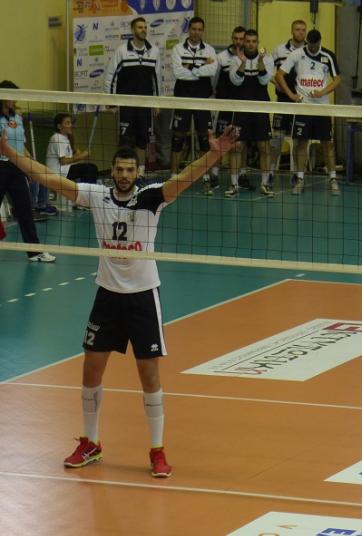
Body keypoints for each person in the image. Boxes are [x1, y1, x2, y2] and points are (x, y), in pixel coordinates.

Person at [0, 119, 240, 478]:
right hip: (108, 296)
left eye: (130, 170)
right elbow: (48, 178)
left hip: (143, 296)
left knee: (149, 375)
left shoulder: (152, 197)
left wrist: (214, 154)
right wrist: (9, 151)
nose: (124, 175)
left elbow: (184, 178)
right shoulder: (97, 196)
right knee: (91, 369)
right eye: (119, 169)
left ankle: (157, 450)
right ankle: (91, 442)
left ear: (137, 172)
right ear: (112, 171)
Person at [274, 29, 342, 196]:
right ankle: (300, 179)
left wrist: (323, 92)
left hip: (321, 107)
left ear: (319, 41)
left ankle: (333, 179)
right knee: (301, 143)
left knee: (327, 143)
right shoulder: (297, 54)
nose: (313, 47)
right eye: (310, 45)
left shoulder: (328, 55)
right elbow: (280, 75)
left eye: (315, 45)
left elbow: (338, 79)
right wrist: (291, 95)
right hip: (303, 106)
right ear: (307, 42)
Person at [0, 82, 55, 262]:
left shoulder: (17, 117)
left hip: (17, 167)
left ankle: (34, 251)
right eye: (11, 95)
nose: (14, 99)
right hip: (1, 166)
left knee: (25, 209)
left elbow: (21, 145)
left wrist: (30, 165)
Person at [104, 17, 162, 175]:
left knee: (143, 141)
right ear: (132, 30)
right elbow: (111, 77)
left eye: (145, 27)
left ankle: (140, 174)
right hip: (126, 106)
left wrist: (157, 103)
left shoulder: (154, 52)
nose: (143, 30)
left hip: (145, 105)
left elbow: (157, 80)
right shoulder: (122, 51)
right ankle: (122, 173)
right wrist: (111, 102)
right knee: (125, 142)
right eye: (140, 27)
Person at [169, 16, 217, 186]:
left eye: (199, 29)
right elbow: (178, 73)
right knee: (178, 138)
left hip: (202, 98)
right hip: (183, 98)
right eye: (194, 29)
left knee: (204, 138)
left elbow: (212, 70)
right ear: (189, 30)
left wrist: (190, 67)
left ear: (203, 31)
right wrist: (201, 67)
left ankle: (205, 175)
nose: (196, 32)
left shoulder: (209, 49)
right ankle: (173, 175)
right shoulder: (177, 49)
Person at [228, 28, 275, 198]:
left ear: (257, 42)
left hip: (261, 108)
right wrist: (242, 63)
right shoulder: (235, 60)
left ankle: (265, 184)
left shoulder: (267, 59)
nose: (250, 44)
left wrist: (260, 61)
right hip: (241, 109)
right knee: (237, 147)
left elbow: (264, 80)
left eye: (254, 41)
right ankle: (234, 185)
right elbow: (235, 81)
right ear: (243, 42)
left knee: (264, 147)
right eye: (247, 41)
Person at [270, 19, 308, 177]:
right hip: (283, 102)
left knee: (299, 141)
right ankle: (270, 173)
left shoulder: (309, 51)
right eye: (297, 29)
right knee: (277, 140)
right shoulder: (279, 50)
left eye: (303, 30)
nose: (300, 32)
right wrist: (275, 82)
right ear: (292, 31)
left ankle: (297, 176)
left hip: (301, 102)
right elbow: (266, 70)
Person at [211, 26, 245, 194]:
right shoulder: (221, 57)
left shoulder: (248, 58)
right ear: (232, 38)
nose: (238, 42)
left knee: (239, 145)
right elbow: (214, 80)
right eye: (236, 38)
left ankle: (237, 180)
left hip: (241, 108)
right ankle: (214, 176)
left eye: (241, 39)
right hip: (224, 107)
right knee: (220, 143)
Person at [46, 113, 92, 211]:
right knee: (89, 168)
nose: (71, 125)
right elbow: (63, 161)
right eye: (67, 123)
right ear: (59, 126)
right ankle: (83, 201)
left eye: (71, 123)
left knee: (90, 167)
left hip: (65, 170)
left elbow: (69, 158)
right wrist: (80, 157)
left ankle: (83, 199)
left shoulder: (65, 138)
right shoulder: (57, 137)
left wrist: (76, 154)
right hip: (58, 172)